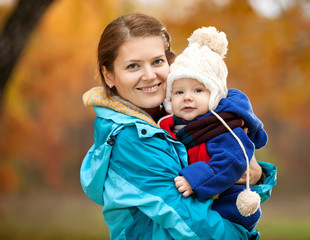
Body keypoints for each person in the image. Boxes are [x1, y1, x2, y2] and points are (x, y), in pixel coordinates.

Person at [80, 12, 277, 240]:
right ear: (109, 75)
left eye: (157, 61)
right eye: (133, 66)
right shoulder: (129, 138)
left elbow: (236, 172)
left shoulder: (180, 118)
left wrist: (256, 175)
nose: (149, 75)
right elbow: (189, 221)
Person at [158, 27, 273, 231]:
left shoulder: (223, 126)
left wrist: (194, 179)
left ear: (214, 95)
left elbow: (232, 161)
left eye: (198, 90)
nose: (187, 97)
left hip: (228, 204)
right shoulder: (168, 125)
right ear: (169, 98)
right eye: (178, 91)